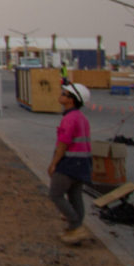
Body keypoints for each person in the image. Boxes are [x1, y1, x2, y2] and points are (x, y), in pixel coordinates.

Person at [48, 83, 93, 245]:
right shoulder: (82, 118)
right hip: (83, 163)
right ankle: (75, 231)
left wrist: (54, 164)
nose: (61, 95)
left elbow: (63, 144)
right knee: (75, 196)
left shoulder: (69, 119)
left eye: (64, 94)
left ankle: (76, 226)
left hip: (69, 163)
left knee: (56, 194)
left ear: (71, 100)